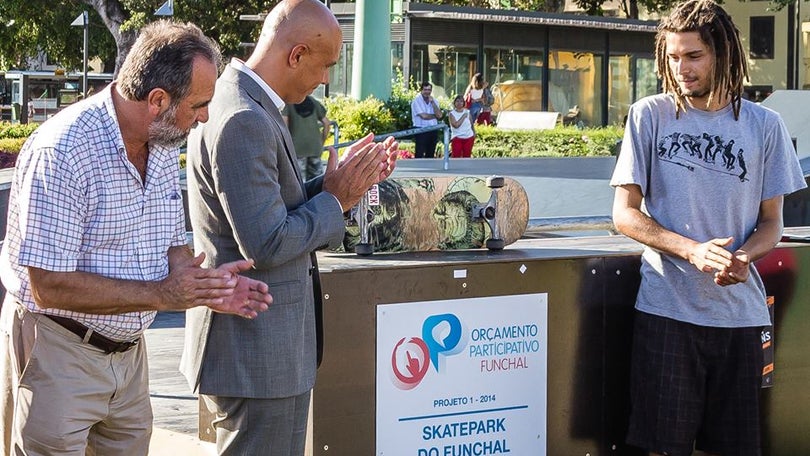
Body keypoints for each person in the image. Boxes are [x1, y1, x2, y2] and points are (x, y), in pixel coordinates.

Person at [0, 20, 272, 456]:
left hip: (129, 359)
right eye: (198, 105)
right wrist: (163, 294)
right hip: (57, 349)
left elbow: (171, 250)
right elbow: (47, 285)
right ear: (158, 100)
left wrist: (206, 287)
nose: (203, 116)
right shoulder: (64, 149)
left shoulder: (162, 142)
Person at [179, 1, 399, 454]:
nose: (325, 80)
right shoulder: (245, 117)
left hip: (260, 351)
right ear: (296, 54)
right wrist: (337, 200)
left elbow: (269, 205)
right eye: (325, 67)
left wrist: (337, 185)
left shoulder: (244, 102)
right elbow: (268, 240)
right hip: (256, 354)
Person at [610, 1, 806, 455]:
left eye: (693, 56)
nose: (682, 68)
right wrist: (691, 250)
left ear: (722, 52)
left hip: (742, 318)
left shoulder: (765, 125)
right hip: (666, 314)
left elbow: (772, 223)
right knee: (660, 448)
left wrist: (744, 256)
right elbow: (624, 213)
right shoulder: (649, 115)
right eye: (673, 57)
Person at [283, 95, 331, 180]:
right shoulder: (313, 101)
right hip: (315, 147)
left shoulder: (289, 103)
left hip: (297, 148)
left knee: (300, 183)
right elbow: (326, 123)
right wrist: (322, 141)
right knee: (317, 181)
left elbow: (284, 125)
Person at [411, 81, 443, 158]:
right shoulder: (416, 101)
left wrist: (432, 103)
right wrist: (435, 116)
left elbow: (440, 115)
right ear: (421, 90)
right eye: (425, 90)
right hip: (421, 129)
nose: (427, 92)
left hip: (433, 129)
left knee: (431, 152)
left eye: (429, 90)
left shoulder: (434, 101)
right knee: (420, 152)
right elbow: (424, 116)